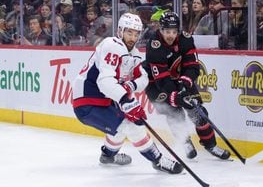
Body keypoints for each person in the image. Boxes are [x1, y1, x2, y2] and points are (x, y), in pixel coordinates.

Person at [72, 12, 183, 174]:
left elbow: (143, 78)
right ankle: (158, 160)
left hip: (105, 100)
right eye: (129, 32)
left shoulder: (134, 54)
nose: (132, 37)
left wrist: (130, 86)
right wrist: (126, 100)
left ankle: (108, 156)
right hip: (87, 101)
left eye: (136, 33)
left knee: (121, 127)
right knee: (131, 126)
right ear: (120, 31)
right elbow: (105, 81)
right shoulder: (112, 45)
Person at [142, 11, 231, 160]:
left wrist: (185, 82)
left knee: (199, 113)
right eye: (167, 31)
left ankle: (211, 145)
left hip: (180, 79)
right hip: (156, 84)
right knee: (175, 113)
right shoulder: (154, 44)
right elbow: (162, 77)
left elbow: (193, 66)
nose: (170, 35)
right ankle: (185, 141)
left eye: (174, 31)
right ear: (161, 30)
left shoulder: (186, 40)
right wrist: (176, 96)